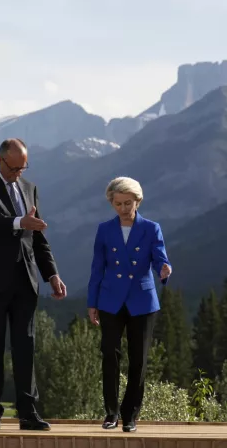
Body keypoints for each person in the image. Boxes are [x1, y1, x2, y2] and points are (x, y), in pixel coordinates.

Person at [0, 138, 66, 431]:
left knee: (26, 347)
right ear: (0, 161)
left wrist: (52, 274)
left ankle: (28, 413)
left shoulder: (29, 188)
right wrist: (20, 222)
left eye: (24, 168)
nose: (19, 173)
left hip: (25, 281)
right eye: (15, 168)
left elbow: (37, 236)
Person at [87, 177, 172, 433]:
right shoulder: (104, 230)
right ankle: (111, 414)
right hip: (110, 300)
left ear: (138, 201)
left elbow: (160, 259)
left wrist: (164, 270)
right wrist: (92, 303)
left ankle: (130, 416)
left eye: (128, 203)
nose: (123, 208)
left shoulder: (151, 228)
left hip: (142, 301)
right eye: (118, 204)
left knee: (138, 361)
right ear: (112, 204)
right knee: (109, 357)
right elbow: (97, 268)